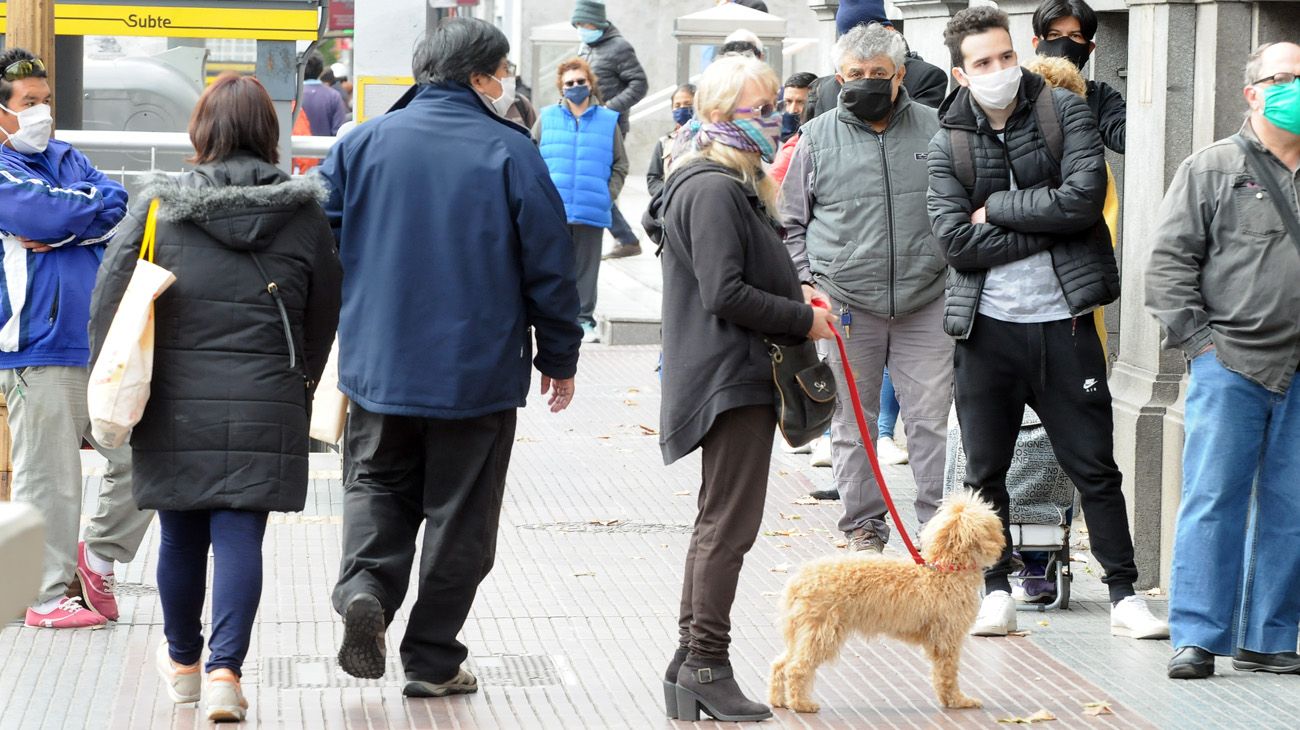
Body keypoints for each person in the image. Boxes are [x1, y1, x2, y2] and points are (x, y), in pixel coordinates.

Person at [318, 17, 582, 698]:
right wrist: (559, 353)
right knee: (461, 517)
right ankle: (432, 660)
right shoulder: (512, 152)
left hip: (379, 366)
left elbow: (318, 240)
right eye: (502, 71)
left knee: (376, 486)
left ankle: (364, 590)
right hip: (477, 371)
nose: (507, 83)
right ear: (479, 76)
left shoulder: (362, 144)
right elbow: (550, 267)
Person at [88, 72, 341, 721]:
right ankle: (228, 672)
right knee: (239, 537)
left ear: (200, 131)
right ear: (268, 131)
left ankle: (184, 664)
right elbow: (323, 313)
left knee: (179, 536)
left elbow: (110, 302)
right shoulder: (303, 214)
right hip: (267, 394)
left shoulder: (157, 206)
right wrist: (298, 380)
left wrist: (105, 382)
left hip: (174, 396)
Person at [926, 6, 1167, 640]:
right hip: (988, 330)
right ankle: (995, 590)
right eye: (984, 63)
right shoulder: (946, 138)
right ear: (962, 72)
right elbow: (955, 242)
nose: (1000, 70)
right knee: (985, 470)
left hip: (1065, 324)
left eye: (1006, 56)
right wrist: (1047, 223)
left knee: (1094, 466)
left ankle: (1123, 594)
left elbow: (1084, 201)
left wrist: (998, 210)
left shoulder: (1068, 111)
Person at [644, 53, 836, 723]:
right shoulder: (714, 186)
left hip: (729, 373)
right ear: (723, 114)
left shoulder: (719, 181)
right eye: (760, 108)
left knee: (716, 525)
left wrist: (796, 291)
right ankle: (705, 662)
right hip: (731, 376)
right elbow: (725, 291)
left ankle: (689, 661)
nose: (776, 119)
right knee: (729, 529)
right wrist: (803, 316)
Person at [1147, 41, 1300, 680]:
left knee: (1293, 505)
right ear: (1252, 91)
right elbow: (1166, 266)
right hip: (1230, 361)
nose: (1294, 87)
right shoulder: (1213, 167)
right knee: (1213, 498)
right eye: (1283, 78)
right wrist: (1203, 348)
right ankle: (1199, 637)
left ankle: (1270, 637)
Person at [780, 23, 952, 553]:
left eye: (879, 73)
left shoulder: (938, 129)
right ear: (839, 77)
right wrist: (809, 284)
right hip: (846, 303)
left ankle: (936, 529)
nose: (867, 81)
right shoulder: (815, 137)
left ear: (900, 76)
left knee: (930, 422)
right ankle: (863, 527)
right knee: (853, 424)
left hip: (927, 300)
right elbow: (790, 224)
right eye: (856, 74)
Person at [0, 47, 153, 631]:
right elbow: (38, 216)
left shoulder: (68, 158)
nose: (41, 113)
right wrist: (76, 222)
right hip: (36, 346)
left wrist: (67, 228)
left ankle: (97, 556)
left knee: (144, 459)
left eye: (46, 102)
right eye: (27, 104)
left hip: (99, 340)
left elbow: (122, 205)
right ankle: (41, 596)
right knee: (49, 478)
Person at [533, 57, 628, 343]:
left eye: (580, 82)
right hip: (554, 209)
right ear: (561, 88)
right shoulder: (547, 117)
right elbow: (531, 156)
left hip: (591, 208)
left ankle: (584, 321)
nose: (575, 87)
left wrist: (606, 195)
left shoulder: (608, 120)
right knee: (554, 267)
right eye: (569, 83)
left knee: (586, 271)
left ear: (590, 84)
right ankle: (552, 321)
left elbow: (621, 165)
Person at [571, 0, 648, 259]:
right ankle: (625, 237)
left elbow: (639, 84)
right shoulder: (586, 48)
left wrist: (611, 108)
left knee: (598, 181)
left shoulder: (619, 47)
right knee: (593, 180)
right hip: (586, 123)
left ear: (599, 23)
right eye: (578, 25)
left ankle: (625, 237)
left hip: (609, 126)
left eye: (586, 24)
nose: (582, 29)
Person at [804, 0, 949, 118]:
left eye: (879, 74)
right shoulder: (824, 89)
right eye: (851, 40)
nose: (861, 47)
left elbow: (922, 128)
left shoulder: (925, 77)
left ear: (900, 75)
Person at [1030, 0, 1125, 154]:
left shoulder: (1099, 96)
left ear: (1089, 48)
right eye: (1054, 35)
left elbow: (1125, 136)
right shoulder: (1019, 92)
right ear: (1037, 43)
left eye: (1075, 35)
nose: (1064, 44)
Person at [647, 84, 695, 199]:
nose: (682, 108)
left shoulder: (706, 139)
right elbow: (653, 178)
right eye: (677, 105)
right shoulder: (664, 142)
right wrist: (668, 195)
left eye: (688, 104)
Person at [300, 52, 349, 136]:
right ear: (321, 70)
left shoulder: (291, 97)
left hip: (294, 149)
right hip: (326, 148)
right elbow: (338, 132)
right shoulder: (334, 96)